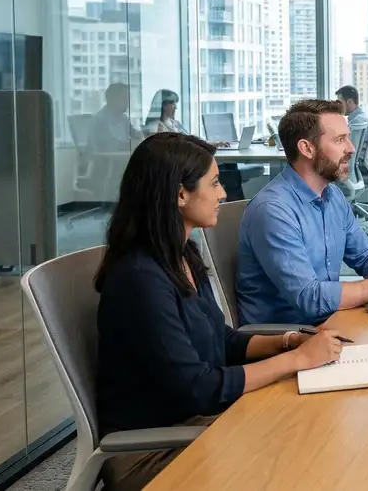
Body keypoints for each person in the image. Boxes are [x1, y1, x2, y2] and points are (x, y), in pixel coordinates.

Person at [94, 132, 343, 491]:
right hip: (155, 449)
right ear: (180, 194)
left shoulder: (182, 256)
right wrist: (298, 360)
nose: (224, 192)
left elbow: (222, 341)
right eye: (213, 183)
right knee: (300, 452)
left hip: (198, 422)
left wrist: (288, 342)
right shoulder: (139, 279)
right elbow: (199, 387)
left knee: (311, 427)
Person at [237, 99, 368, 326]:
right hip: (287, 340)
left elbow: (365, 256)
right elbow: (309, 298)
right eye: (340, 140)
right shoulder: (273, 211)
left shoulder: (332, 196)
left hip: (329, 323)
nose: (351, 148)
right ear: (307, 148)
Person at [334, 85, 368, 201]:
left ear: (349, 101)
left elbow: (346, 152)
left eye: (340, 102)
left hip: (352, 172)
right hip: (359, 171)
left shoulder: (356, 122)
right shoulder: (362, 118)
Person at [89, 82, 142, 153]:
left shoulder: (123, 118)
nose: (127, 102)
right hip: (109, 161)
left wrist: (143, 136)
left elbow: (135, 134)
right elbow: (109, 145)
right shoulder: (100, 119)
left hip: (121, 158)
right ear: (112, 99)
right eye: (124, 98)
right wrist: (132, 144)